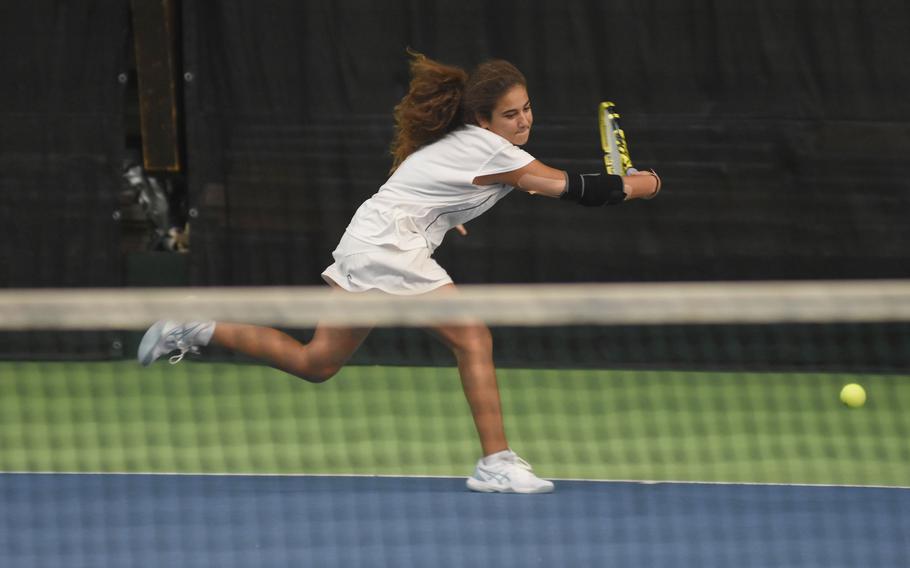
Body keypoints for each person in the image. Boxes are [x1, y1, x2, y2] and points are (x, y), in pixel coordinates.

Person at [138, 51, 661, 494]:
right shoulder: (491, 150)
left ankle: (195, 327)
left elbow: (420, 187)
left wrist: (445, 216)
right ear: (484, 122)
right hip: (389, 248)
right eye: (509, 115)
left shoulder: (473, 147)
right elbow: (574, 189)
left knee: (316, 362)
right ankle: (496, 462)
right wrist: (644, 184)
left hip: (368, 240)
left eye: (526, 110)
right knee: (473, 337)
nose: (523, 122)